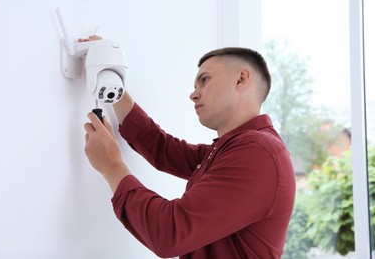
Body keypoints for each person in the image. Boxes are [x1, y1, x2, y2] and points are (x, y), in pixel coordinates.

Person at [83, 38, 296, 258]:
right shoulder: (235, 150)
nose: (193, 94)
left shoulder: (258, 153)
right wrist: (113, 84)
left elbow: (169, 232)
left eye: (205, 80)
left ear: (241, 79)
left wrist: (111, 165)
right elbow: (162, 149)